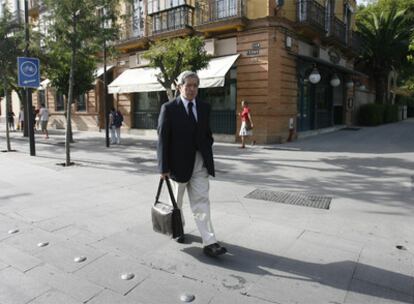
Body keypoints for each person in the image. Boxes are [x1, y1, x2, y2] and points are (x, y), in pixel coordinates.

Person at [157, 71, 227, 258]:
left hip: (199, 163)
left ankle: (209, 241)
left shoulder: (204, 107)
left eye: (195, 85)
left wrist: (206, 145)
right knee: (176, 203)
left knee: (201, 202)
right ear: (179, 86)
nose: (192, 89)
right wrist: (163, 168)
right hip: (176, 165)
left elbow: (207, 133)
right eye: (188, 85)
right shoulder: (169, 108)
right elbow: (162, 139)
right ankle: (178, 229)